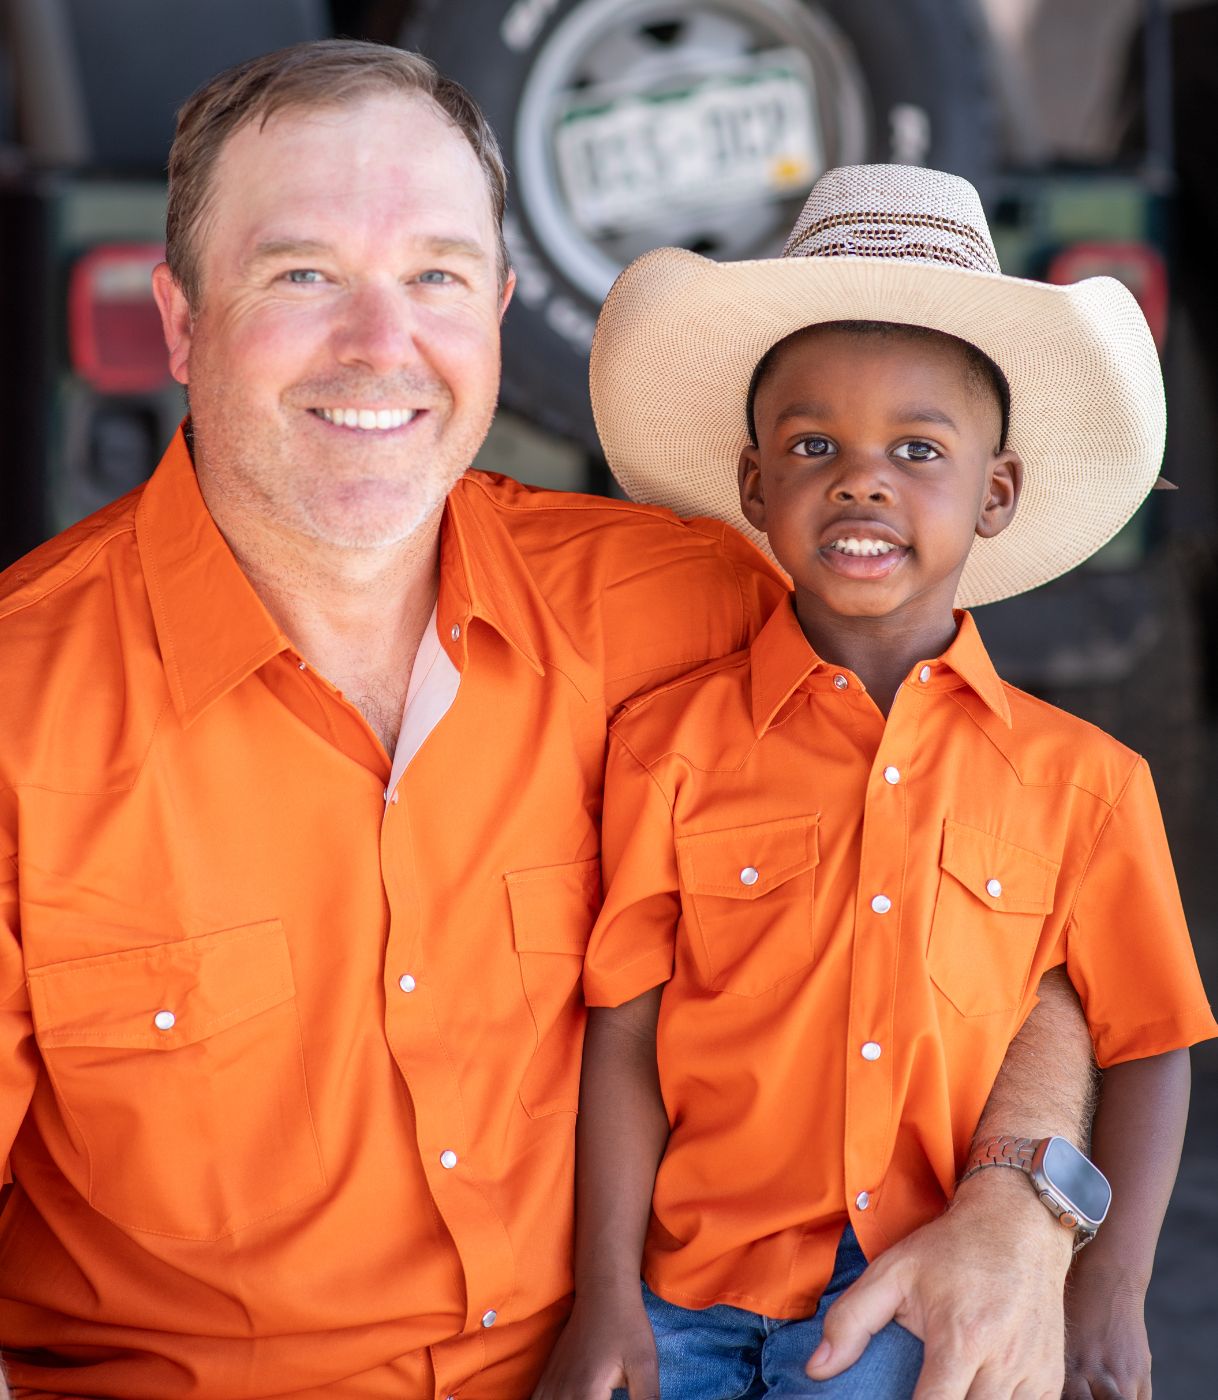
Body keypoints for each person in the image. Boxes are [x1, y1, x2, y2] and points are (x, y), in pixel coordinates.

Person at [0, 43, 1102, 1400]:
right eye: (303, 274)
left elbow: (1011, 892)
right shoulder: (21, 709)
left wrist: (1020, 1200)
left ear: (502, 311)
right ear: (178, 320)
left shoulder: (690, 607)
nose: (379, 346)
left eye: (436, 280)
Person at [536, 166, 1216, 1400]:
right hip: (679, 1295)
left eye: (919, 447)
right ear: (755, 487)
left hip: (914, 1306)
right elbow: (624, 1032)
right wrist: (601, 1295)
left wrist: (1108, 1293)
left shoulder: (1086, 782)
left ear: (994, 494)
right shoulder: (665, 746)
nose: (863, 479)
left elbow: (1151, 1042)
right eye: (813, 444)